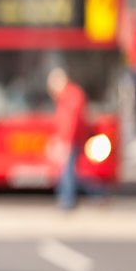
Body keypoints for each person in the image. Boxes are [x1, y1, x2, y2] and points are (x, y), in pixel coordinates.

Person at [46, 67, 92, 210]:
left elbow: (71, 122)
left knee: (67, 171)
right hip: (68, 139)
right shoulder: (65, 97)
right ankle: (96, 193)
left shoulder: (72, 96)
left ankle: (67, 201)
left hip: (72, 140)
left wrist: (65, 142)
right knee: (68, 171)